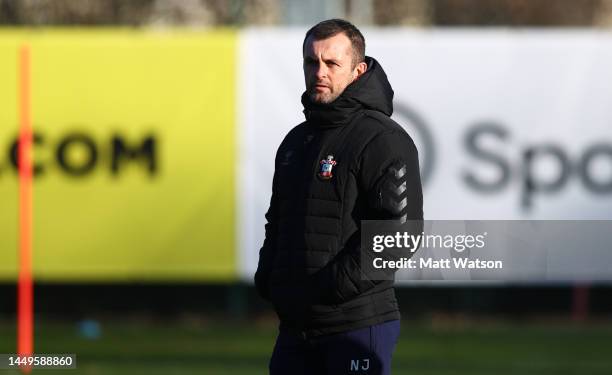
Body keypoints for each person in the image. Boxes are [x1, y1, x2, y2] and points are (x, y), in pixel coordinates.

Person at [254, 18, 423, 375]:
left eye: (332, 63)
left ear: (357, 70)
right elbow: (277, 220)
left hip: (357, 326)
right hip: (296, 328)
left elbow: (398, 235)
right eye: (311, 62)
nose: (320, 71)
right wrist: (271, 278)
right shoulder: (296, 142)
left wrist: (326, 288)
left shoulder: (382, 139)